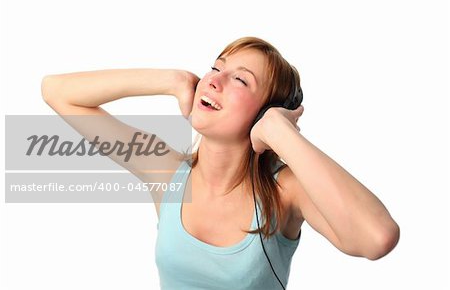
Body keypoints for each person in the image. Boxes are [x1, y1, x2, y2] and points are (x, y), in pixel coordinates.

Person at [41, 36, 400, 289]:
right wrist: (173, 80)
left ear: (266, 112)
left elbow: (377, 238)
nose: (214, 79)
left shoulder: (284, 192)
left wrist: (282, 133)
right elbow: (57, 92)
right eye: (216, 67)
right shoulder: (167, 173)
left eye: (240, 79)